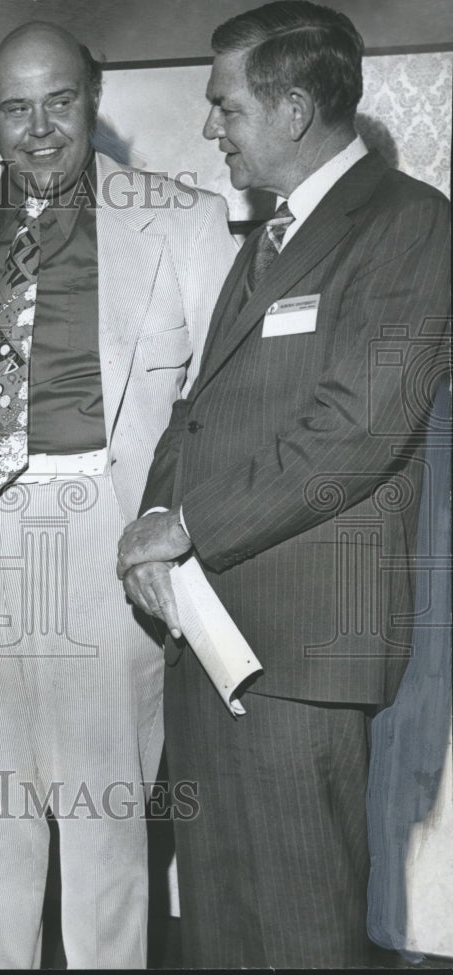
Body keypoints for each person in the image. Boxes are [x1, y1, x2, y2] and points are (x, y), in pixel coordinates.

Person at [0, 21, 236, 968]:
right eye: (15, 107)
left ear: (93, 98)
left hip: (100, 521)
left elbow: (220, 394)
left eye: (59, 102)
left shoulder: (181, 216)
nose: (39, 128)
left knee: (105, 808)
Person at [116, 1, 451, 967]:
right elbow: (201, 404)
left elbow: (357, 430)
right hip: (211, 633)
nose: (209, 126)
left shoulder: (410, 225)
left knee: (302, 925)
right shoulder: (270, 234)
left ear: (294, 107)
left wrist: (185, 527)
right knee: (217, 914)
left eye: (225, 107)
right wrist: (151, 516)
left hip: (303, 652)